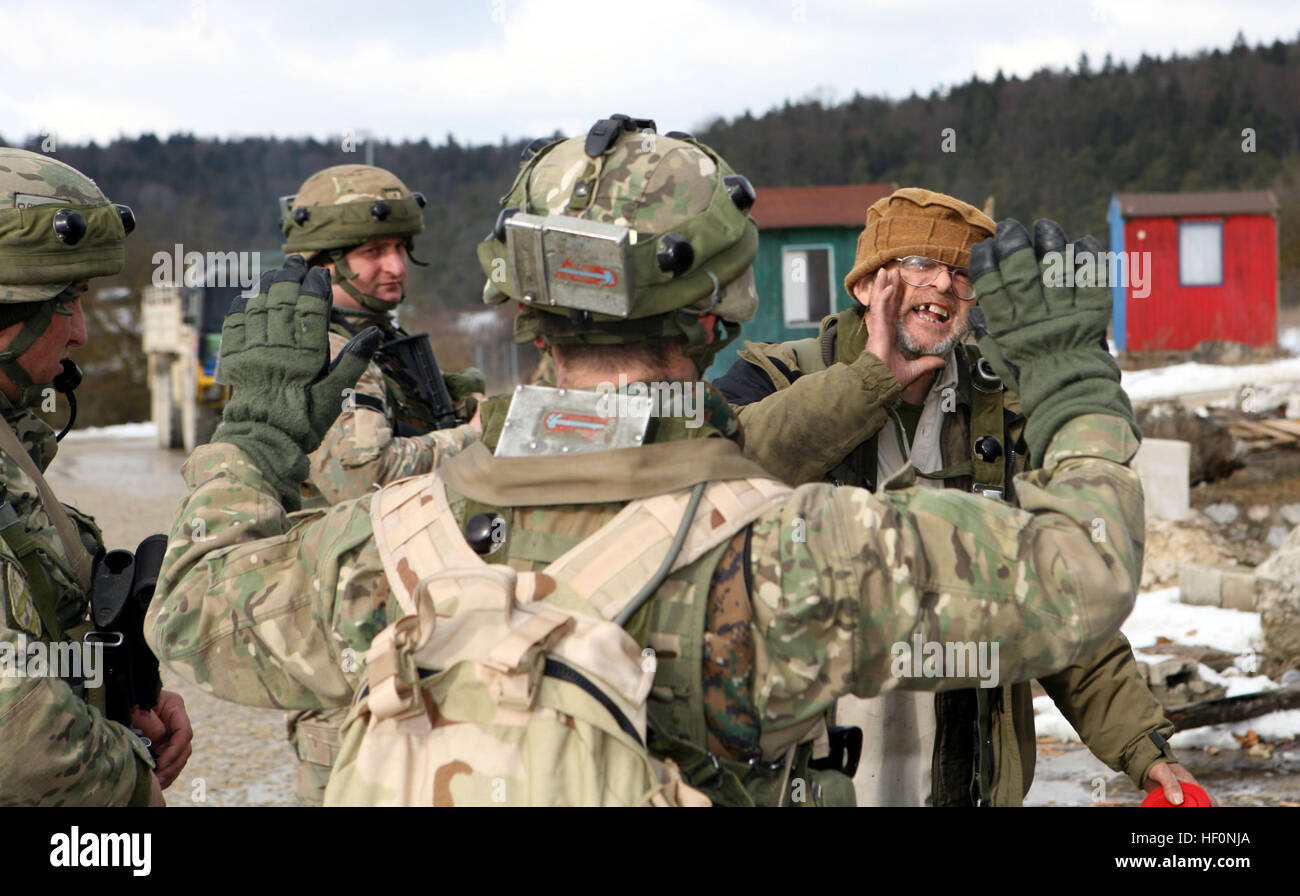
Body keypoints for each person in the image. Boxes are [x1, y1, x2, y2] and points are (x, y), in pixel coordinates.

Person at [146, 120, 1146, 806]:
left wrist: (259, 430)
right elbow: (1083, 570)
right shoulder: (797, 557)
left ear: (522, 304)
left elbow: (193, 598)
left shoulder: (385, 543)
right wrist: (1067, 375)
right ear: (717, 309)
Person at [716, 187, 1198, 806]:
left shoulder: (998, 415)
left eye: (962, 273)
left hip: (961, 773)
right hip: (805, 765)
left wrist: (1143, 747)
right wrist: (867, 384)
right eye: (920, 264)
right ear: (866, 285)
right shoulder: (771, 378)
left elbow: (1056, 592)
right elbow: (716, 470)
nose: (943, 284)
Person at [277, 164, 484, 803]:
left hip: (383, 610)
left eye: (399, 249)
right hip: (344, 625)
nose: (393, 265)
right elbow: (362, 473)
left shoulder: (368, 341)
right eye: (372, 253)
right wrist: (475, 436)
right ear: (326, 264)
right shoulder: (326, 352)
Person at [0, 148, 192, 805]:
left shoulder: (13, 446)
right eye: (67, 302)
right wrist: (130, 768)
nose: (81, 332)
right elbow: (22, 742)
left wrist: (125, 695)